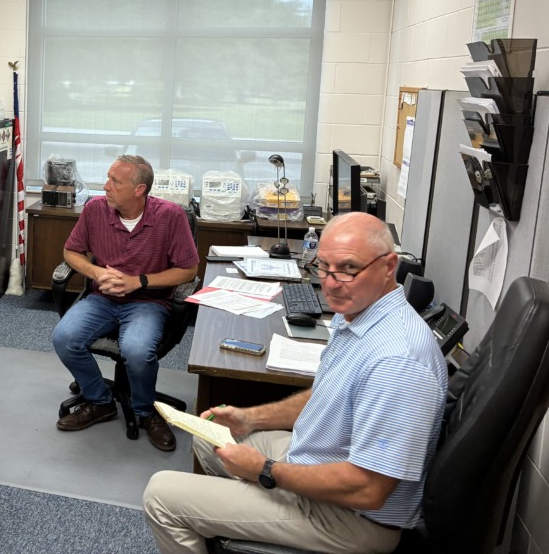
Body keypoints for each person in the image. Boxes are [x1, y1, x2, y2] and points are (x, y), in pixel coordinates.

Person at [142, 212, 449, 554]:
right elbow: (326, 395)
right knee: (210, 437)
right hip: (317, 466)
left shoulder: (398, 361)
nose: (331, 283)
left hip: (351, 517)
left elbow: (369, 489)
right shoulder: (362, 316)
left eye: (348, 269)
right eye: (324, 267)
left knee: (161, 494)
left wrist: (267, 470)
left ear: (389, 266)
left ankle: (246, 518)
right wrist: (251, 418)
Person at [52, 155, 199, 452]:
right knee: (64, 338)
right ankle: (100, 400)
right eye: (107, 178)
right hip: (102, 298)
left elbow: (188, 270)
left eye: (115, 182)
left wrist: (138, 281)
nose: (106, 186)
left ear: (139, 189)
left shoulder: (170, 217)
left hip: (148, 302)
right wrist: (96, 272)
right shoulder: (95, 210)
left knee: (137, 349)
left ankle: (145, 412)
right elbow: (71, 252)